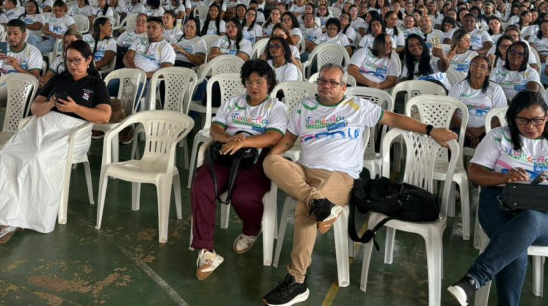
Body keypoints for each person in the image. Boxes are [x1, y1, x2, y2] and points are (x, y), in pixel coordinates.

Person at [261, 64, 457, 306]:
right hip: (303, 170)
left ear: (344, 87)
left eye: (333, 83)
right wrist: (275, 156)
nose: (326, 86)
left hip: (339, 176)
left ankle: (297, 280)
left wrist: (430, 129)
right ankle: (317, 200)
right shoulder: (305, 107)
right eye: (322, 81)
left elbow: (393, 118)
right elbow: (289, 139)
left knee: (306, 210)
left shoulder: (356, 107)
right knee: (270, 161)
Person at [447, 91, 548, 306]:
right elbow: (474, 172)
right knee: (516, 239)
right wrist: (503, 177)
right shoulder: (498, 136)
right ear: (513, 118)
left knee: (527, 222)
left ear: (547, 116)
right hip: (500, 202)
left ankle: (473, 280)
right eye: (523, 120)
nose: (531, 126)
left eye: (537, 120)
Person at [0, 40, 111, 243]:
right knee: (10, 153)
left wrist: (76, 108)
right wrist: (51, 103)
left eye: (77, 60)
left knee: (37, 157)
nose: (72, 65)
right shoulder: (59, 79)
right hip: (44, 125)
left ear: (89, 60)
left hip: (73, 131)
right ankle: (8, 218)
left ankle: (31, 217)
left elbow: (104, 116)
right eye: (68, 60)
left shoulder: (96, 84)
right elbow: (35, 109)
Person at [191, 59, 289, 280]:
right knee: (201, 188)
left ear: (269, 83)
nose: (254, 87)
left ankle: (252, 229)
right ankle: (206, 250)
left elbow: (274, 136)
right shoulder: (233, 102)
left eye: (259, 82)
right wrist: (230, 139)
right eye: (249, 82)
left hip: (255, 157)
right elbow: (216, 128)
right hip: (226, 151)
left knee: (244, 197)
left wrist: (243, 142)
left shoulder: (276, 107)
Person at [0, 19, 43, 127]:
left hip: (23, 92)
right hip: (3, 90)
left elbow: (34, 79)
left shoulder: (33, 52)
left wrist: (17, 67)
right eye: (9, 33)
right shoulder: (4, 50)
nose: (11, 37)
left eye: (15, 34)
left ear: (24, 35)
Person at [450, 55, 508, 147]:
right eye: (475, 65)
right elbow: (451, 112)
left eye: (483, 67)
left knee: (492, 145)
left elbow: (499, 116)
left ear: (488, 72)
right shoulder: (459, 86)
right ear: (470, 67)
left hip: (488, 130)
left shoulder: (495, 89)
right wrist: (467, 130)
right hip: (461, 129)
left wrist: (480, 131)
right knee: (451, 142)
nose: (478, 68)